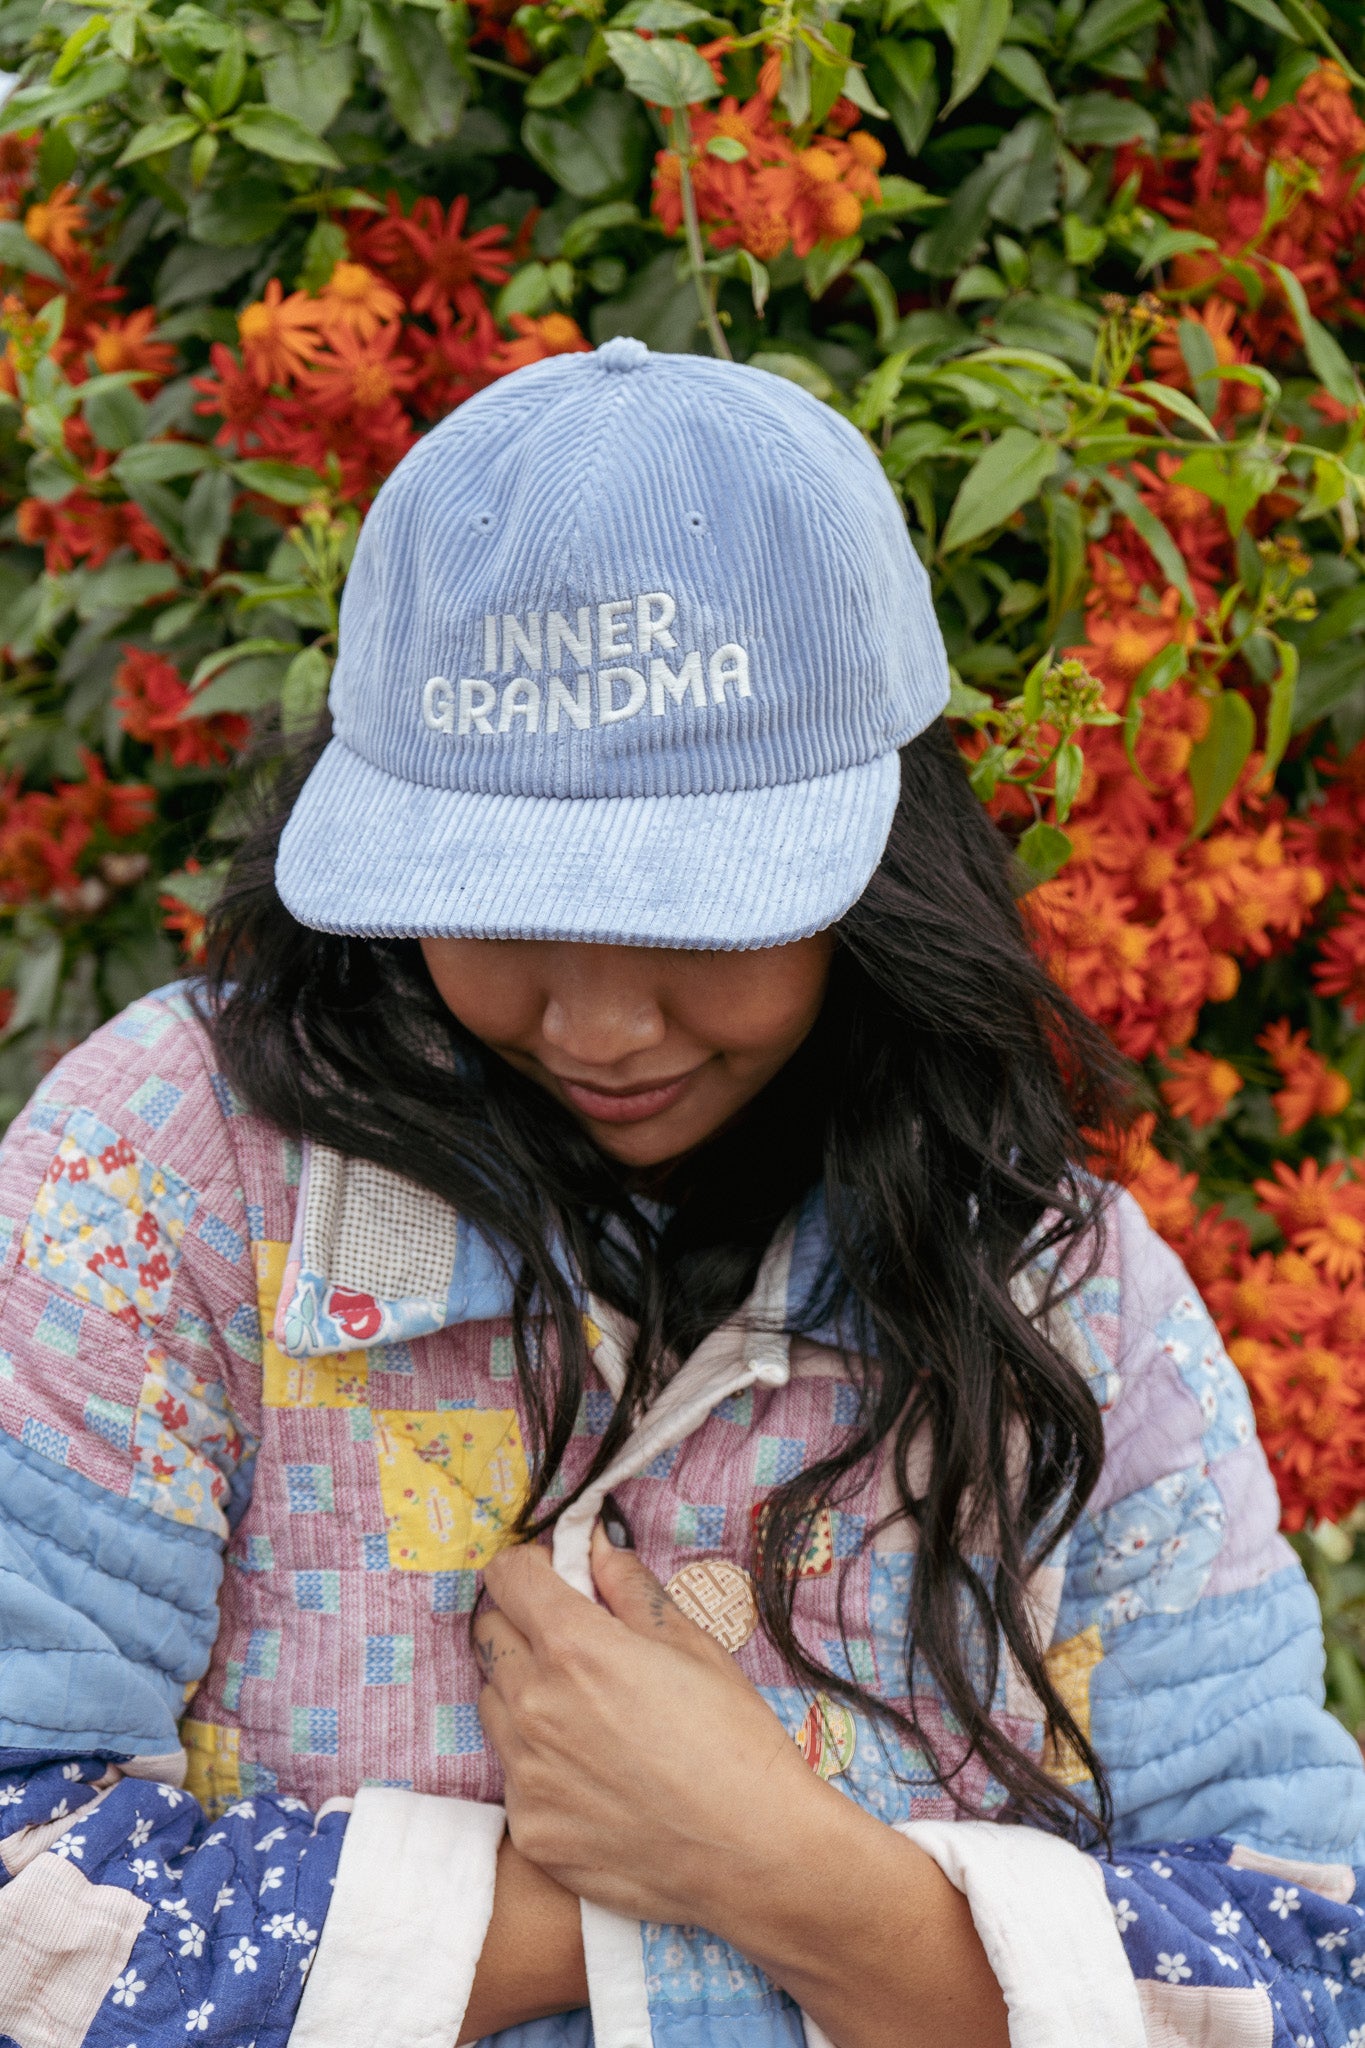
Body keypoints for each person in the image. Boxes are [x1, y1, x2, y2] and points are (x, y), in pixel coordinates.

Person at [0, 337, 1361, 2048]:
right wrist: (628, 1897)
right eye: (492, 909)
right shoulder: (160, 1190)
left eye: (690, 918)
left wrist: (782, 1865)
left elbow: (1317, 1955)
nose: (599, 1024)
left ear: (881, 866)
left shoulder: (1064, 1302)